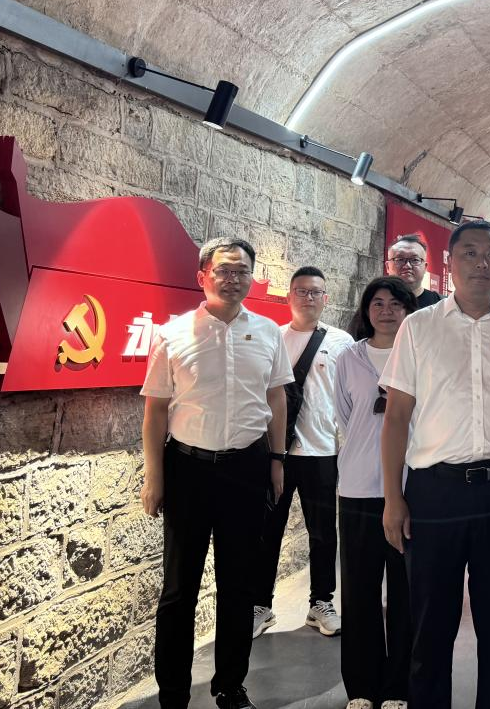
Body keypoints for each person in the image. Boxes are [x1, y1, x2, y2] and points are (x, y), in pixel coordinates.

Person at [380, 220, 490, 709]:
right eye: (470, 253)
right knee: (430, 623)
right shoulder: (419, 327)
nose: (482, 263)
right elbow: (396, 417)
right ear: (449, 263)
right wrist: (393, 497)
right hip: (435, 491)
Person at [140, 237, 293, 709]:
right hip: (187, 468)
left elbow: (277, 398)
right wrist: (154, 477)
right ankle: (173, 694)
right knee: (178, 589)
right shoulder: (173, 334)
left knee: (238, 585)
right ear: (202, 276)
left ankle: (230, 685)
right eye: (224, 270)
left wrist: (277, 459)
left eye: (242, 271)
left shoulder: (268, 333)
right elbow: (156, 411)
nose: (233, 279)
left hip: (246, 467)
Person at [334, 277, 419, 709]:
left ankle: (398, 686)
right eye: (378, 303)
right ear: (366, 310)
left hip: (410, 488)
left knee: (406, 593)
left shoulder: (421, 354)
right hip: (357, 488)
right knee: (359, 591)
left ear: (409, 311)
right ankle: (362, 686)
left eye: (396, 303)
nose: (386, 311)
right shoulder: (348, 358)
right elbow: (345, 416)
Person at [254, 266, 353, 638]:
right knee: (267, 531)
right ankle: (260, 605)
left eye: (315, 292)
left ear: (325, 299)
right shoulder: (273, 338)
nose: (308, 297)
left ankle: (321, 602)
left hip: (322, 452)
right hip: (277, 453)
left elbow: (349, 398)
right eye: (302, 291)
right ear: (289, 296)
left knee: (323, 533)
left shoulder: (342, 342)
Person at [387, 233, 442, 309]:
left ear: (425, 267)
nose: (407, 266)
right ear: (387, 266)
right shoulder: (374, 303)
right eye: (400, 259)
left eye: (415, 260)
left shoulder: (441, 305)